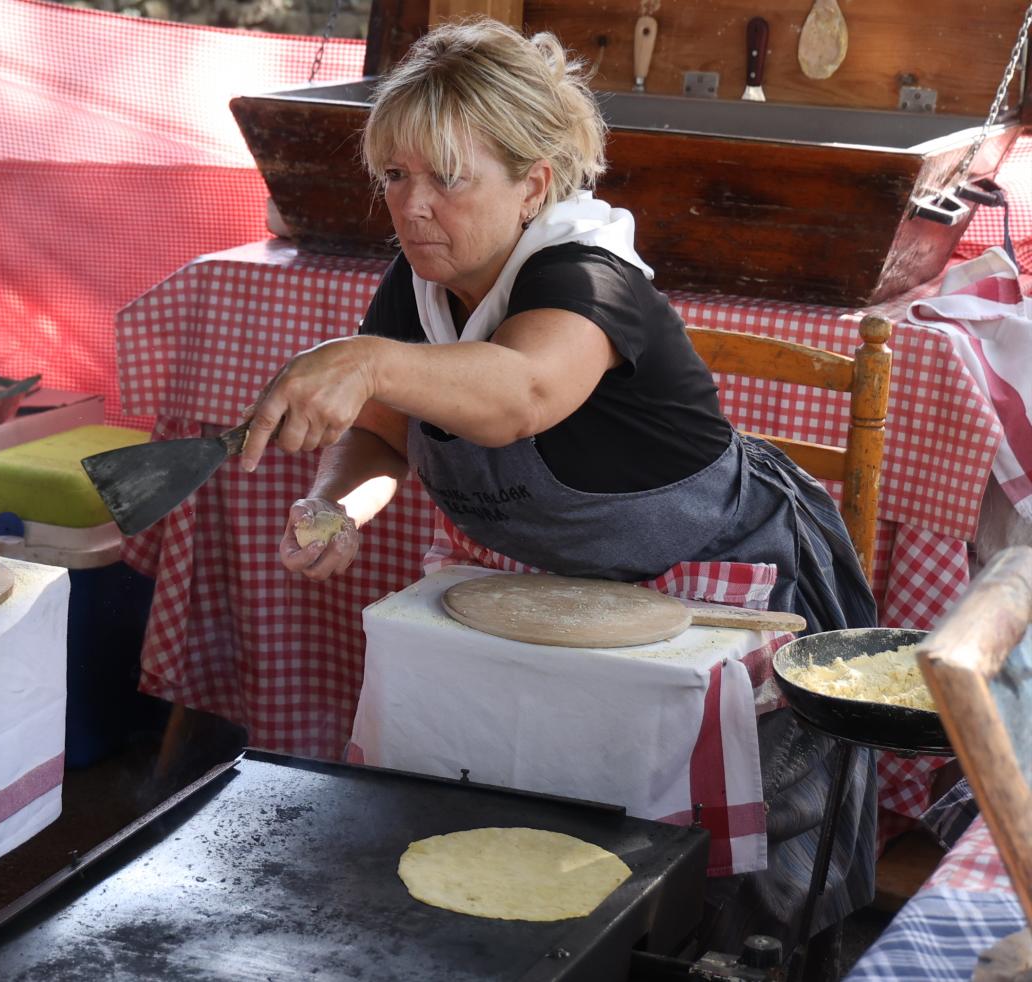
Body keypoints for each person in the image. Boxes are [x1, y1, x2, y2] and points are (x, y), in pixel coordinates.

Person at [239, 19, 878, 959]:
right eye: (394, 176)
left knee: (727, 911)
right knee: (519, 841)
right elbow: (382, 436)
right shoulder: (419, 285)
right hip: (561, 608)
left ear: (533, 183)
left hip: (728, 607)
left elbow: (520, 394)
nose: (411, 207)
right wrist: (342, 504)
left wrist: (368, 362)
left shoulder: (590, 279)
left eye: (446, 178)